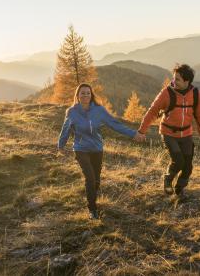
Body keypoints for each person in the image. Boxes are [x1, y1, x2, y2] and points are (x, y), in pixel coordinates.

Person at [58, 83, 145, 219]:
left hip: (97, 149)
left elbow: (115, 124)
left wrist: (133, 134)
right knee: (90, 178)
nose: (85, 95)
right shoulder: (72, 112)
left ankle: (92, 195)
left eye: (88, 93)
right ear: (77, 96)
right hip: (81, 149)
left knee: (96, 180)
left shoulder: (99, 110)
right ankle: (92, 209)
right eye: (82, 93)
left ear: (91, 95)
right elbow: (66, 129)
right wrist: (61, 145)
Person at [138, 64, 200, 197]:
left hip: (187, 134)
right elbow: (153, 111)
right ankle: (167, 180)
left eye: (177, 79)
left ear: (186, 81)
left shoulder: (195, 93)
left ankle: (179, 189)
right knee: (178, 161)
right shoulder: (167, 93)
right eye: (174, 78)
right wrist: (142, 131)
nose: (173, 81)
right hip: (168, 133)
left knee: (188, 166)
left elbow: (199, 116)